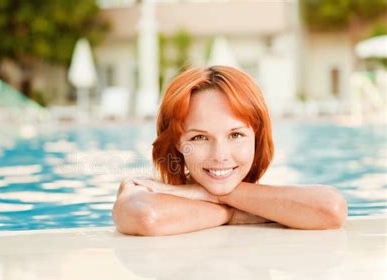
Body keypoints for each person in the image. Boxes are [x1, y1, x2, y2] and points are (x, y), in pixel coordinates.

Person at [113, 66, 347, 236]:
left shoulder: (264, 194)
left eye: (235, 135)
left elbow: (331, 209)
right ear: (177, 143)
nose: (220, 155)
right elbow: (147, 216)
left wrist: (214, 195)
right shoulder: (146, 187)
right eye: (200, 137)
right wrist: (232, 213)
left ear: (257, 136)